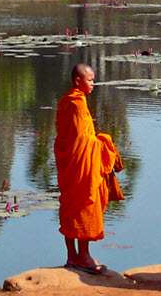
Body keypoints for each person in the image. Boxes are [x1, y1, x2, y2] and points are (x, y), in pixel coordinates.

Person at [54, 63, 120, 275]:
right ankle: (83, 257)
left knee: (70, 204)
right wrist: (104, 143)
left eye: (93, 79)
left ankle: (72, 256)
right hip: (80, 164)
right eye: (90, 80)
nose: (93, 83)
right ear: (78, 81)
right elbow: (84, 140)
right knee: (83, 203)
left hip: (70, 163)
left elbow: (66, 138)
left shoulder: (66, 101)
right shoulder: (77, 104)